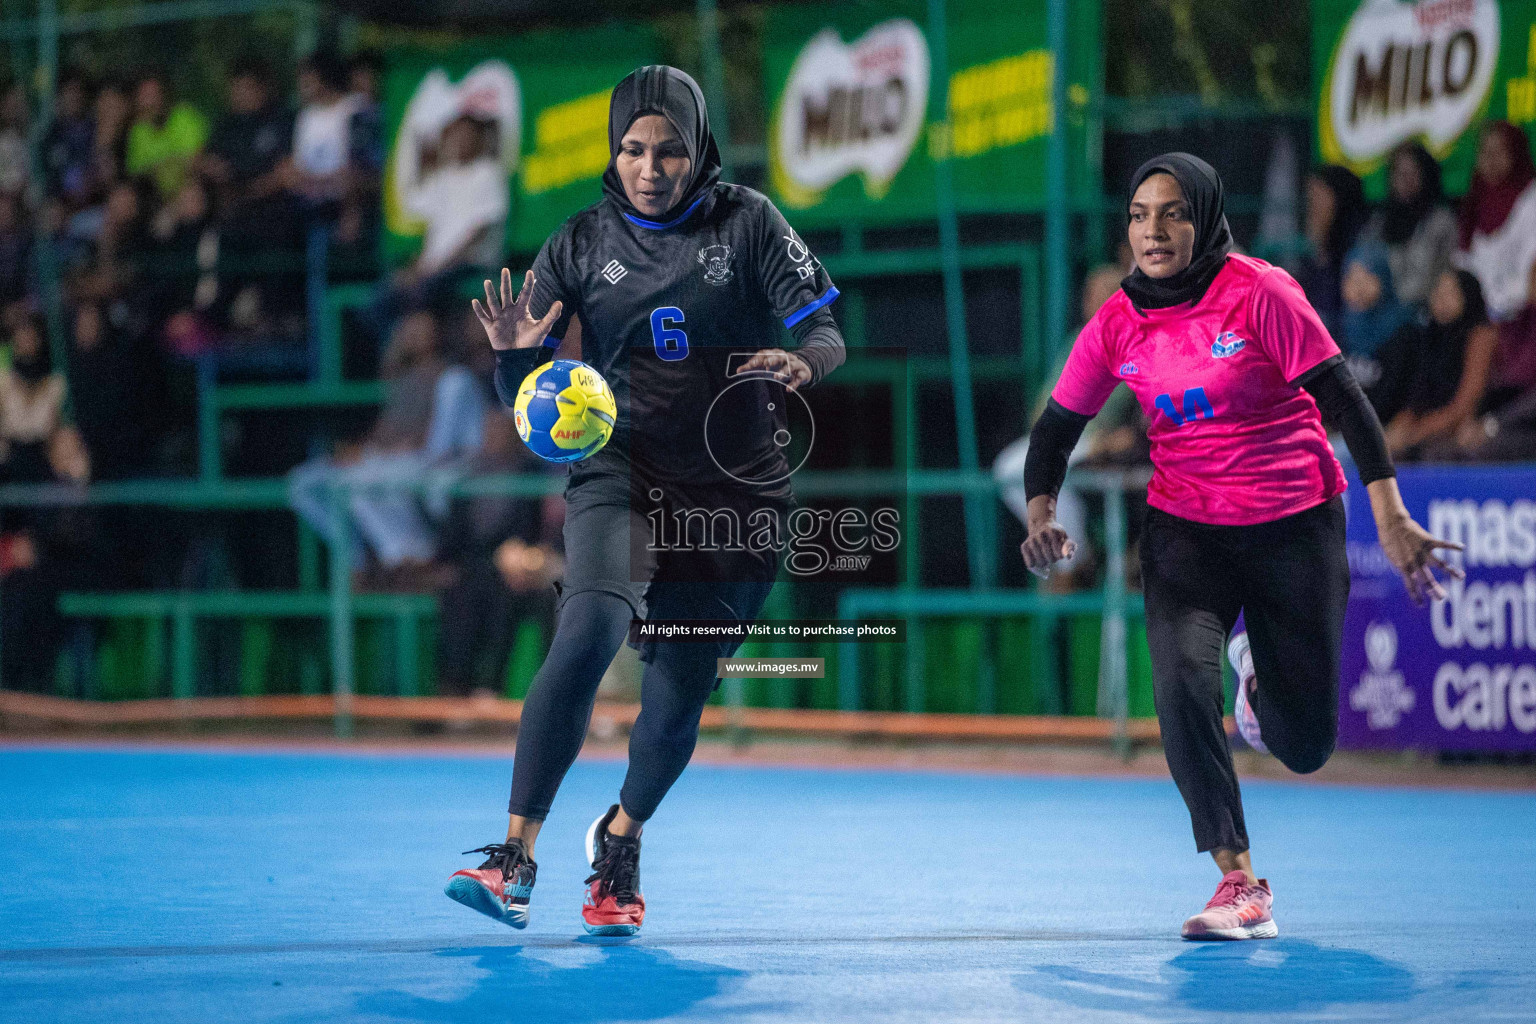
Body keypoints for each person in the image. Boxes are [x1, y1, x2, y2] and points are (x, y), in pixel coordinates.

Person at [444, 65, 843, 936]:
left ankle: (619, 839)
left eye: (669, 150)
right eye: (632, 148)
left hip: (736, 496)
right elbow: (527, 388)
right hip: (618, 470)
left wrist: (801, 362)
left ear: (700, 152)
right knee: (588, 626)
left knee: (678, 695)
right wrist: (513, 360)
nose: (650, 166)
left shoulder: (750, 224)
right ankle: (514, 855)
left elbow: (824, 327)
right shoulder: (580, 243)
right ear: (613, 153)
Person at [1020, 153, 1459, 941]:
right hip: (1186, 529)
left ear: (1206, 218)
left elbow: (1348, 404)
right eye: (1138, 215)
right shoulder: (1117, 319)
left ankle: (1258, 679)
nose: (1153, 231)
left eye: (1172, 213)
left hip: (1295, 520)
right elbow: (1055, 430)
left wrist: (1389, 514)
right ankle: (1237, 881)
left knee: (1305, 746)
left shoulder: (1260, 292)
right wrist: (1041, 509)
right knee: (1182, 683)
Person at [288, 310, 486, 587]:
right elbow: (387, 427)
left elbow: (436, 443)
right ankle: (359, 559)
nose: (415, 335)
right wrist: (363, 450)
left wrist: (386, 452)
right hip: (393, 457)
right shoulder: (399, 375)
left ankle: (411, 558)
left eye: (422, 329)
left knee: (360, 482)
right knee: (304, 483)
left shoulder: (452, 376)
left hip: (435, 462)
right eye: (409, 328)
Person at [994, 263, 1146, 583]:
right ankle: (1073, 558)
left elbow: (1144, 414)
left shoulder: (1137, 344)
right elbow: (1043, 408)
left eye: (1105, 295)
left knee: (1020, 467)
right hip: (1067, 437)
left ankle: (1072, 561)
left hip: (1104, 444)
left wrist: (1121, 437)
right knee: (1011, 467)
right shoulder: (1079, 340)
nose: (1094, 303)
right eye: (1090, 295)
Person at [1376, 270, 1497, 460]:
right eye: (1438, 292)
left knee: (1432, 454)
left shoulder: (1480, 336)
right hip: (1429, 426)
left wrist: (1415, 434)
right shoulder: (1430, 337)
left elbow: (1465, 404)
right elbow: (1417, 394)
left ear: (1467, 297)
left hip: (1468, 425)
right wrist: (1399, 427)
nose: (1441, 300)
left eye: (1450, 293)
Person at [1456, 121, 1536, 322]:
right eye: (1485, 152)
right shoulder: (1475, 199)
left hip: (1523, 317)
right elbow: (1463, 262)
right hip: (1478, 315)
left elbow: (1530, 276)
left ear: (1516, 154)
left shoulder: (1531, 199)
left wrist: (1494, 302)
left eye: (1500, 151)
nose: (1491, 159)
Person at [1291, 166, 1368, 342]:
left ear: (1340, 201)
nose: (1311, 207)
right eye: (1309, 198)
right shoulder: (1314, 258)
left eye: (1318, 197)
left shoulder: (1360, 256)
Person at [124, 73, 208, 200]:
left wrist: (163, 167)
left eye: (154, 95)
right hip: (151, 197)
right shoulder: (138, 130)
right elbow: (136, 172)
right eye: (145, 96)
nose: (150, 102)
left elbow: (195, 160)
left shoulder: (183, 115)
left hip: (188, 190)